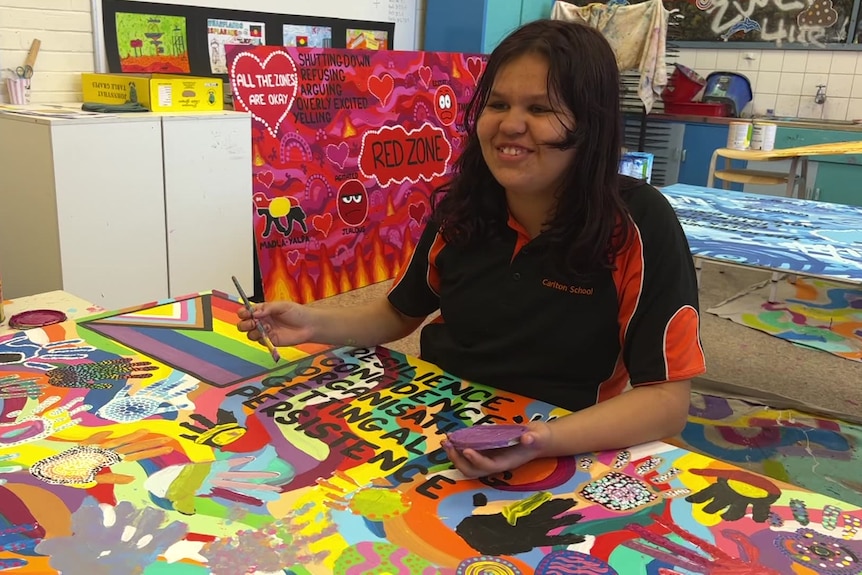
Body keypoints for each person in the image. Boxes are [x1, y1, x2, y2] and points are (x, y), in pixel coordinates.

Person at [237, 19, 706, 478]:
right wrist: (311, 321)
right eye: (497, 104)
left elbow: (666, 403)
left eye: (540, 110)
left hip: (565, 443)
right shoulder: (463, 207)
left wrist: (536, 440)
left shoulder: (638, 224)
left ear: (591, 124)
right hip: (433, 423)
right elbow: (399, 313)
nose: (510, 125)